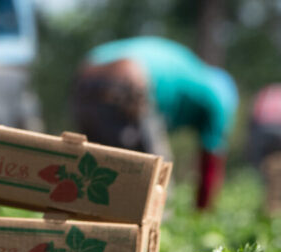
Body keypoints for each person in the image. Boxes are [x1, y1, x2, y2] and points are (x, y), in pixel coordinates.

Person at [71, 37, 238, 210]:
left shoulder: (191, 70)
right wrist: (202, 212)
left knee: (92, 176)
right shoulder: (217, 97)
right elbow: (210, 163)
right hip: (128, 79)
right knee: (158, 186)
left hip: (86, 77)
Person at [247, 84, 281, 215]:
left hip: (262, 130)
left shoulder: (265, 93)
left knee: (265, 170)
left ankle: (270, 206)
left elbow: (252, 120)